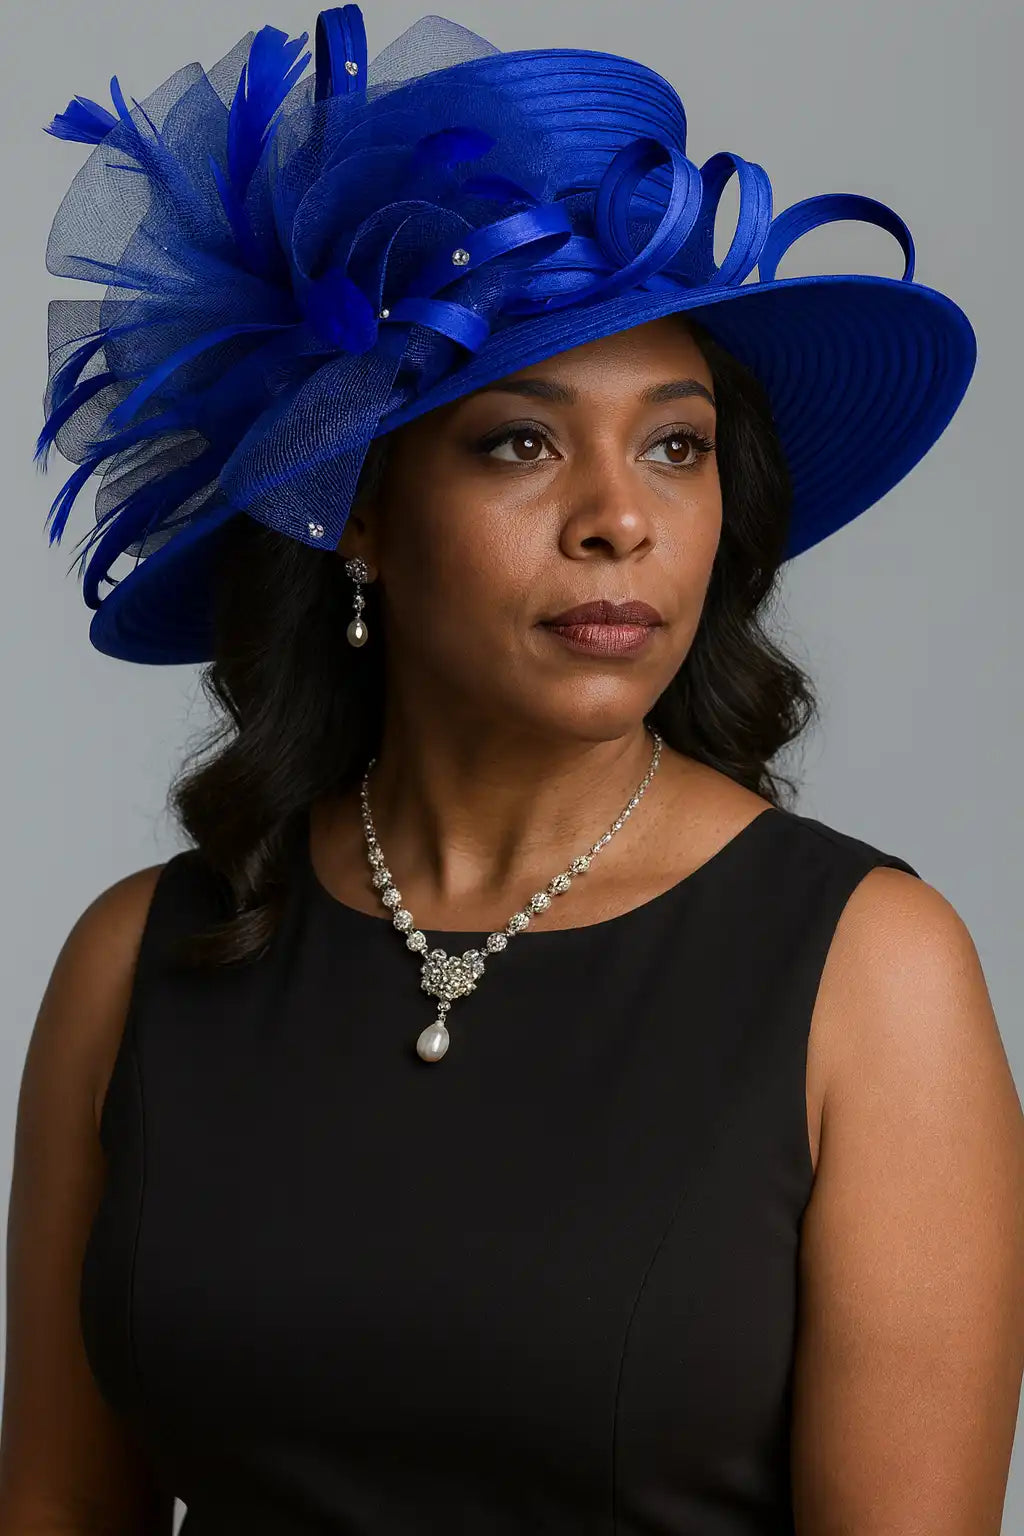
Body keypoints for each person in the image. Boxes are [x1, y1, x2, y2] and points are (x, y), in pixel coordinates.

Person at [2, 5, 1022, 1533]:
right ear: (354, 512)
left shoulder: (870, 973)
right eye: (519, 445)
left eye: (676, 447)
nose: (621, 518)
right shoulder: (138, 964)